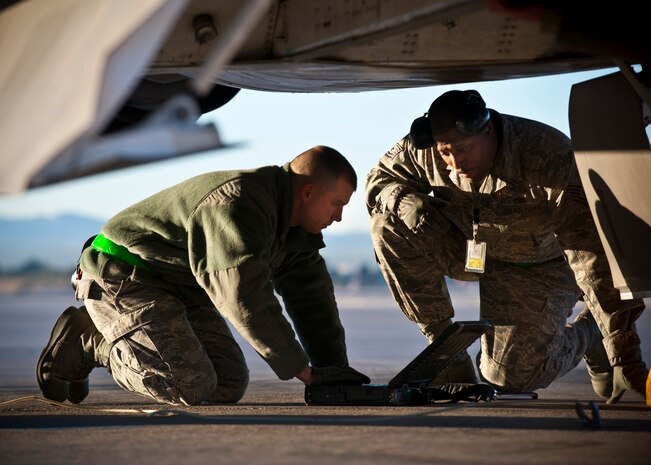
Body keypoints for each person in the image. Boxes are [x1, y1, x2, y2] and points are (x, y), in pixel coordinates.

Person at [365, 90, 648, 403]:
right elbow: (378, 180)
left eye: (462, 149)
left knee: (508, 378)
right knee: (386, 222)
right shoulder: (429, 149)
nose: (455, 162)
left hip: (541, 266)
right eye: (446, 152)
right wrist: (405, 201)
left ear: (486, 129)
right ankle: (448, 354)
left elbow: (590, 255)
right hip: (472, 252)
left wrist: (624, 354)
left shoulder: (546, 156)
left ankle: (587, 335)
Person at [37, 145, 370, 405]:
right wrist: (304, 372)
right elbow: (242, 297)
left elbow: (313, 301)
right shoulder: (239, 205)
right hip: (124, 276)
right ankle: (89, 341)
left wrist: (332, 372)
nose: (339, 217)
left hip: (176, 289)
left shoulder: (294, 231)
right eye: (336, 203)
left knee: (227, 383)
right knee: (187, 384)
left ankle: (105, 337)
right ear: (308, 192)